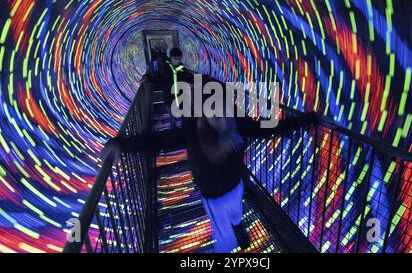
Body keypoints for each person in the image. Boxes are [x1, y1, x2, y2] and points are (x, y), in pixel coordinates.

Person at [101, 92, 319, 252]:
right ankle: (234, 237)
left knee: (236, 213)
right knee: (225, 240)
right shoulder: (194, 129)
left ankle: (239, 228)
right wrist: (122, 144)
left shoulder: (236, 123)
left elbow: (272, 128)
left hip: (235, 186)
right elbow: (160, 140)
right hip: (215, 196)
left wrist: (309, 119)